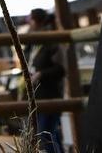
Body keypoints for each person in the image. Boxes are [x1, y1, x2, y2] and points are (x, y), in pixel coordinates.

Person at [26, 9, 66, 153]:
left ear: (34, 21)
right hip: (39, 95)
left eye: (29, 20)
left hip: (50, 95)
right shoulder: (35, 41)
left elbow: (61, 69)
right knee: (50, 133)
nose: (28, 23)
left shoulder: (50, 39)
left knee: (45, 135)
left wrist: (41, 74)